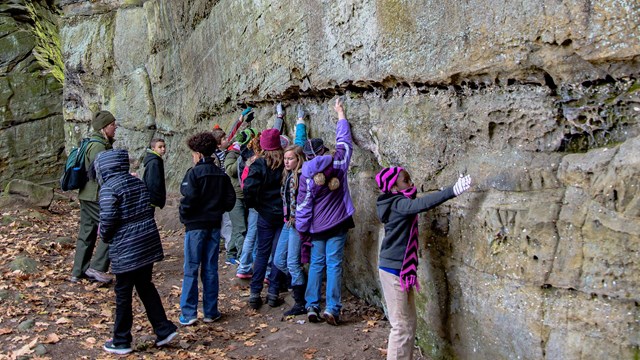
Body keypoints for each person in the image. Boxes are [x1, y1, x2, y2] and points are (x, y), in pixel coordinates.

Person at [375, 168, 471, 360]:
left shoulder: (396, 202)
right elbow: (421, 204)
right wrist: (452, 190)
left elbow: (418, 202)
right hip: (394, 271)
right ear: (393, 186)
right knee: (401, 326)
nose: (411, 184)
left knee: (408, 323)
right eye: (405, 181)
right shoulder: (398, 204)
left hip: (399, 270)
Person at [94, 149, 178, 355]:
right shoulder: (137, 182)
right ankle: (163, 329)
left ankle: (121, 340)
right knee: (145, 285)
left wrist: (104, 235)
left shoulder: (108, 188)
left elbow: (108, 220)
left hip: (126, 248)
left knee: (123, 293)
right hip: (146, 242)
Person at [295, 97, 354, 325]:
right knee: (335, 264)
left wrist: (303, 231)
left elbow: (303, 207)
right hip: (338, 222)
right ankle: (332, 308)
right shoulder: (338, 163)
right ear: (323, 150)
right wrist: (340, 113)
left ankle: (312, 306)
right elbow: (345, 143)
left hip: (318, 227)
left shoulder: (306, 177)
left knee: (317, 264)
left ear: (308, 156)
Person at [178, 132, 236, 326]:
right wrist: (216, 208)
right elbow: (230, 201)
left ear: (198, 154)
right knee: (210, 268)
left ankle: (188, 312)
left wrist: (185, 216)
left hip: (195, 226)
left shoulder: (193, 173)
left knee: (191, 268)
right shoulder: (221, 175)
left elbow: (188, 197)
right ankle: (210, 311)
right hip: (213, 225)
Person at [70, 110, 117, 284]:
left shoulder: (92, 143)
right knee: (111, 228)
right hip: (95, 195)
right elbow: (102, 172)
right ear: (104, 128)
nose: (115, 127)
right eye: (112, 125)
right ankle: (97, 267)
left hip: (87, 194)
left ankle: (78, 271)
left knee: (87, 232)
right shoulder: (98, 146)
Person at [242, 128, 287, 309]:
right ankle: (273, 292)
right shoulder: (287, 162)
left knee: (262, 252)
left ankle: (255, 293)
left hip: (265, 214)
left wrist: (256, 205)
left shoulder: (259, 164)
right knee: (278, 254)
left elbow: (249, 188)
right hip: (283, 214)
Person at [273, 105, 308, 316]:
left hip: (297, 223)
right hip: (288, 222)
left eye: (290, 159)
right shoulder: (287, 175)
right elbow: (294, 144)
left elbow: (300, 145)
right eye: (285, 159)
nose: (286, 162)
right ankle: (298, 284)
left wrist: (301, 121)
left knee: (292, 262)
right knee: (279, 261)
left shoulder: (302, 175)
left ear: (298, 160)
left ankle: (300, 300)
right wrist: (299, 121)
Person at [224, 128, 258, 268]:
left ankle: (230, 254)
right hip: (235, 196)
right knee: (241, 228)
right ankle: (241, 257)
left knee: (240, 227)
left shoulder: (253, 152)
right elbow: (230, 170)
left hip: (247, 195)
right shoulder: (232, 154)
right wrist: (241, 158)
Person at [235, 130, 261, 279]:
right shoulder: (253, 163)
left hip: (251, 203)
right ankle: (245, 266)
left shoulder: (243, 160)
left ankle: (245, 266)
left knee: (252, 234)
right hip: (258, 204)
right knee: (253, 235)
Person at [211, 125, 233, 260]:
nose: (227, 140)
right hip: (217, 192)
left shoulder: (227, 154)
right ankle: (216, 244)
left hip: (224, 190)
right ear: (218, 144)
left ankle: (229, 247)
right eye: (224, 138)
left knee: (227, 220)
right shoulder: (213, 157)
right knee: (218, 220)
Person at [142, 138, 167, 211]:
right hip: (150, 200)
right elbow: (153, 182)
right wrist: (156, 199)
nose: (163, 149)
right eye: (160, 147)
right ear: (153, 148)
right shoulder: (154, 162)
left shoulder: (155, 160)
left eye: (164, 146)